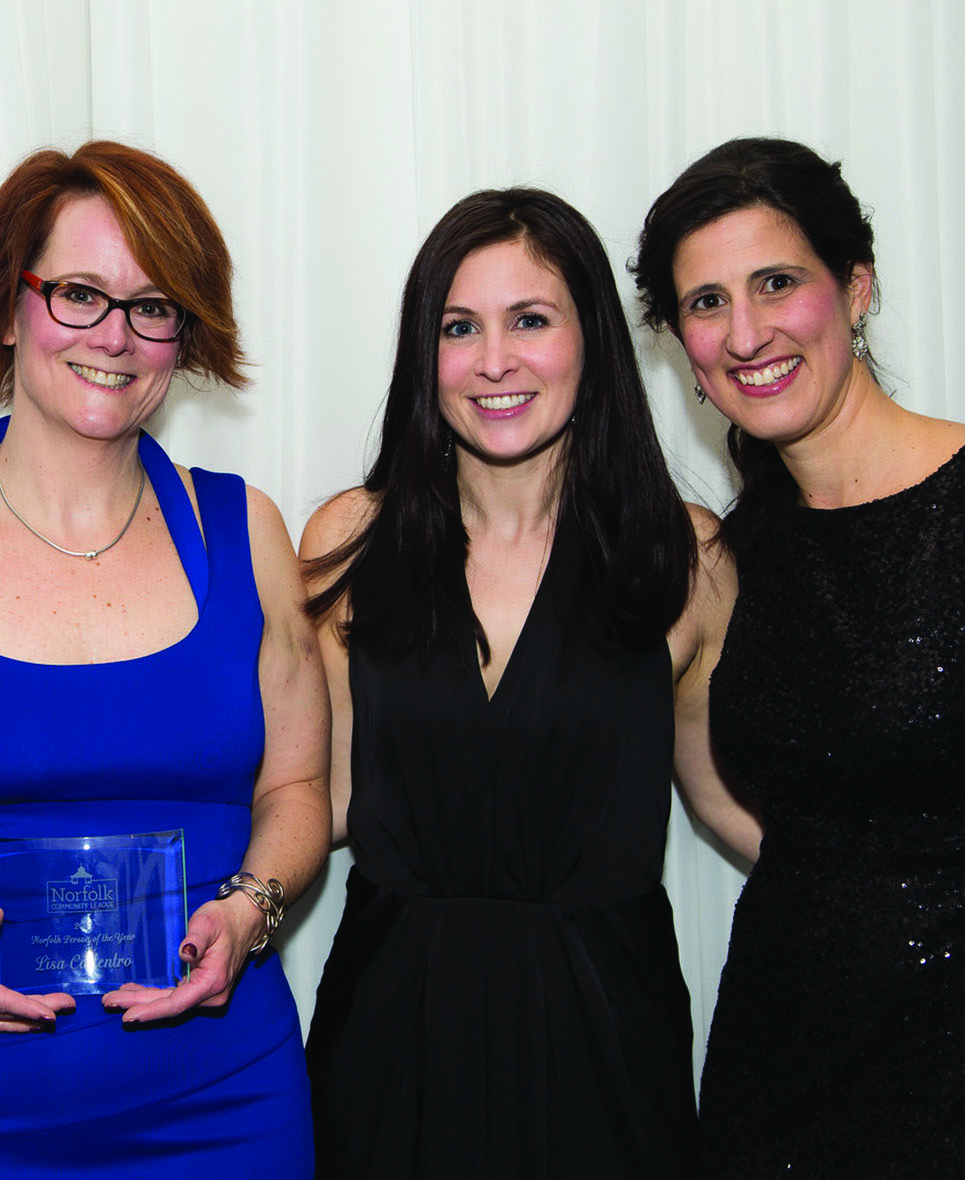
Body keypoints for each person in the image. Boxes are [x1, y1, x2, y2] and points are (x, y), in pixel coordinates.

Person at [631, 136, 965, 1178]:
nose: (745, 333)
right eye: (704, 303)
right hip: (773, 1088)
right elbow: (814, 826)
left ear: (854, 288)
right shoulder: (748, 550)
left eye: (775, 283)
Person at [0, 140, 329, 1177]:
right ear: (10, 306)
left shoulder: (248, 530)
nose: (116, 336)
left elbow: (298, 783)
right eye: (80, 294)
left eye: (153, 305)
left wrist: (251, 908)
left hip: (220, 1104)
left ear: (183, 338)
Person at [299, 187, 759, 1179]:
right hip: (391, 1037)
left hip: (607, 1041)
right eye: (458, 326)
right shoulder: (349, 542)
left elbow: (724, 797)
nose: (493, 360)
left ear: (591, 336)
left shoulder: (685, 555)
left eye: (530, 321)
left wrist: (924, 883)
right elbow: (317, 797)